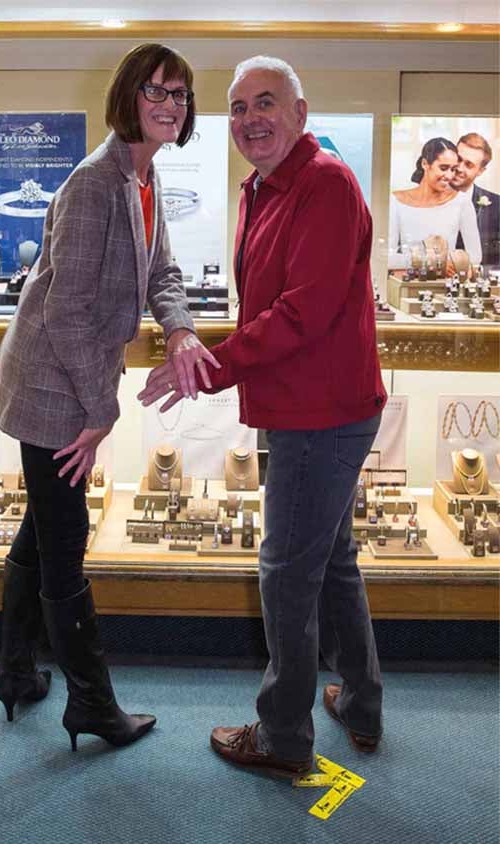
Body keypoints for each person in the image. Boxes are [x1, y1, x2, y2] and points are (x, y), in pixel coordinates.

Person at [139, 55, 388, 776]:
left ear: (301, 113)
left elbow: (301, 312)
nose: (251, 118)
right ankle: (362, 703)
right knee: (332, 561)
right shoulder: (262, 187)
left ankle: (283, 738)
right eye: (239, 106)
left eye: (266, 103)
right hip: (305, 406)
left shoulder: (327, 185)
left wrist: (206, 365)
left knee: (285, 575)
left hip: (321, 414)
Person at [0, 42, 218, 751]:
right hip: (52, 389)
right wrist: (100, 411)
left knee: (44, 523)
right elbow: (66, 313)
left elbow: (164, 272)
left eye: (179, 95)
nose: (170, 105)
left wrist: (179, 333)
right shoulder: (95, 182)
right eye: (157, 92)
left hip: (72, 380)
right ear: (129, 98)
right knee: (64, 538)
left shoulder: (142, 177)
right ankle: (90, 701)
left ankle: (18, 670)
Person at [387, 136, 482, 268]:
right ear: (425, 164)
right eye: (443, 168)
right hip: (409, 284)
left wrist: (451, 264)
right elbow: (386, 257)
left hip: (447, 284)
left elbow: (475, 256)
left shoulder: (462, 202)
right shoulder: (396, 201)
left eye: (453, 169)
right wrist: (434, 263)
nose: (449, 176)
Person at [452, 132, 500, 267]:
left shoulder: (498, 206)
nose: (460, 168)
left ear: (480, 171)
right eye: (458, 159)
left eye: (469, 164)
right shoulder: (427, 200)